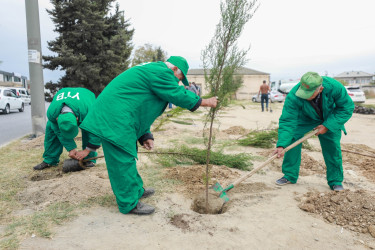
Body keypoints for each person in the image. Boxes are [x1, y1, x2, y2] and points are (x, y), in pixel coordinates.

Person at [79, 56, 218, 215]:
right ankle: (128, 203)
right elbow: (177, 94)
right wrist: (205, 102)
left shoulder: (154, 72)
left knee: (129, 156)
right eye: (179, 79)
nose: (178, 83)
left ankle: (136, 190)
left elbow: (142, 107)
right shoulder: (161, 72)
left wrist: (146, 135)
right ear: (173, 70)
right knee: (122, 160)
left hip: (121, 117)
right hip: (114, 119)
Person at [274, 72, 354, 191]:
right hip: (305, 118)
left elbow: (346, 107)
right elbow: (288, 120)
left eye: (308, 94)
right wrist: (281, 145)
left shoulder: (334, 87)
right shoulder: (294, 95)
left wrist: (327, 125)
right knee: (291, 140)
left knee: (332, 147)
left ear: (320, 89)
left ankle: (335, 180)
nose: (304, 96)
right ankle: (290, 175)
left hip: (330, 118)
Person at [33, 88, 101, 171]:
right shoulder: (52, 113)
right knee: (51, 129)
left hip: (85, 97)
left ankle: (90, 159)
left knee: (88, 130)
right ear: (57, 119)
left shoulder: (88, 111)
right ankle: (50, 160)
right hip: (65, 99)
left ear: (76, 119)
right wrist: (71, 149)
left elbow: (96, 132)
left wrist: (87, 151)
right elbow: (58, 132)